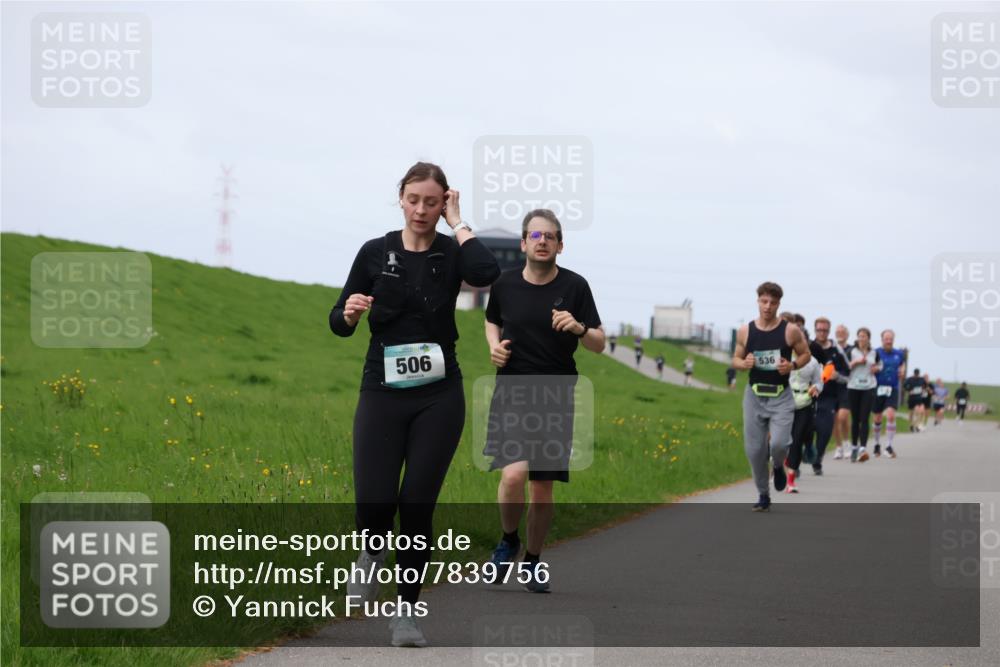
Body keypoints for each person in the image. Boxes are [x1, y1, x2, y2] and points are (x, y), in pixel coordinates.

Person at [329, 162, 500, 647]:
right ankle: (371, 552)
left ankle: (405, 613)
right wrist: (349, 314)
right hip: (382, 392)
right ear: (400, 199)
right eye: (413, 199)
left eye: (432, 201)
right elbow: (338, 322)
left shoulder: (453, 252)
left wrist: (458, 222)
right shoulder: (374, 252)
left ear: (443, 202)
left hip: (438, 395)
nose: (421, 209)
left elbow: (486, 273)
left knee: (417, 505)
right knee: (375, 503)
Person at [483, 209, 605, 594]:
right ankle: (508, 540)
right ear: (523, 243)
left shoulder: (576, 287)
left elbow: (599, 343)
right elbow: (491, 319)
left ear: (560, 245)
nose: (542, 241)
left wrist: (579, 328)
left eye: (549, 236)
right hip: (512, 391)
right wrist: (493, 346)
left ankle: (533, 560)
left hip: (555, 395)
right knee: (512, 475)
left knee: (541, 487)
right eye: (535, 236)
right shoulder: (504, 284)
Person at [732, 282, 811, 512]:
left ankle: (777, 465)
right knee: (755, 450)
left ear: (779, 304)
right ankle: (763, 495)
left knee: (778, 444)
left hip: (781, 396)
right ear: (758, 301)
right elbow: (735, 359)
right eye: (764, 301)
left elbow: (805, 354)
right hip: (754, 396)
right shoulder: (745, 331)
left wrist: (792, 365)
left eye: (773, 303)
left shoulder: (790, 331)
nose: (767, 306)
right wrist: (744, 363)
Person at [784, 317, 823, 492]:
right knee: (781, 441)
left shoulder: (813, 362)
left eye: (802, 340)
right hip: (783, 402)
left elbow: (819, 382)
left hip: (804, 403)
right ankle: (777, 465)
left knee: (797, 439)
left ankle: (791, 481)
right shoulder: (782, 358)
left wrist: (816, 388)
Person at [809, 316, 849, 472]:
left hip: (828, 396)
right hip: (808, 394)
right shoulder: (807, 347)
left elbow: (848, 375)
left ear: (829, 331)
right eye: (819, 330)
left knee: (825, 430)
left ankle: (817, 459)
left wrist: (837, 376)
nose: (822, 333)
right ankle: (795, 462)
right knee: (803, 430)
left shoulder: (836, 351)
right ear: (815, 330)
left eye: (825, 330)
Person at [871, 329, 906, 457]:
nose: (889, 341)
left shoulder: (899, 354)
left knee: (891, 415)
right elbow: (870, 366)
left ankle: (889, 446)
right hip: (878, 387)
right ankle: (876, 444)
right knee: (877, 417)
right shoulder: (875, 352)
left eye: (891, 339)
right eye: (886, 339)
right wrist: (873, 369)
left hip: (893, 388)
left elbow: (902, 365)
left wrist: (902, 371)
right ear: (882, 340)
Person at [846, 327, 878, 462]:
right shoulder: (851, 351)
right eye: (859, 336)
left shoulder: (874, 352)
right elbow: (845, 366)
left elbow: (879, 365)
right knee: (855, 418)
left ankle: (862, 449)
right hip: (853, 386)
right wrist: (856, 362)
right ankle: (854, 446)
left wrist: (876, 368)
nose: (861, 338)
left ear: (868, 338)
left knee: (864, 418)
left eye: (864, 336)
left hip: (869, 387)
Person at [832, 324, 853, 459]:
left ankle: (846, 443)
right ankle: (839, 446)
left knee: (843, 416)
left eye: (842, 332)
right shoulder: (831, 348)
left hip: (847, 387)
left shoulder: (852, 350)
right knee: (834, 419)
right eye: (838, 331)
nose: (840, 333)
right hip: (832, 388)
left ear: (847, 334)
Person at [904, 368, 928, 434]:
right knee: (911, 412)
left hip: (918, 398)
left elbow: (925, 385)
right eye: (915, 374)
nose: (916, 376)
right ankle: (911, 425)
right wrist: (909, 390)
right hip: (911, 398)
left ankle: (916, 425)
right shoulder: (909, 379)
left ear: (919, 374)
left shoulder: (921, 379)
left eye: (917, 374)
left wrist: (923, 389)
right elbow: (904, 385)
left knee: (918, 412)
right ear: (914, 373)